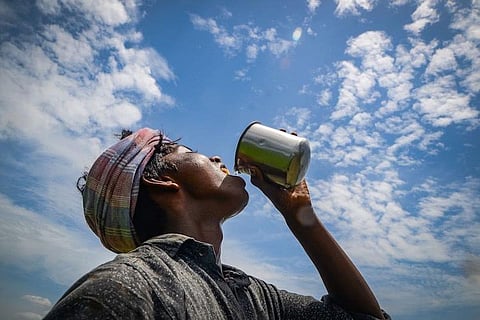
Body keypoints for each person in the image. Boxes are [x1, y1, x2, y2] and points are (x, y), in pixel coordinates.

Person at [44, 128, 390, 319]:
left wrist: (300, 214)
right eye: (187, 150)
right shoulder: (129, 286)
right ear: (164, 182)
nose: (217, 158)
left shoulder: (252, 293)